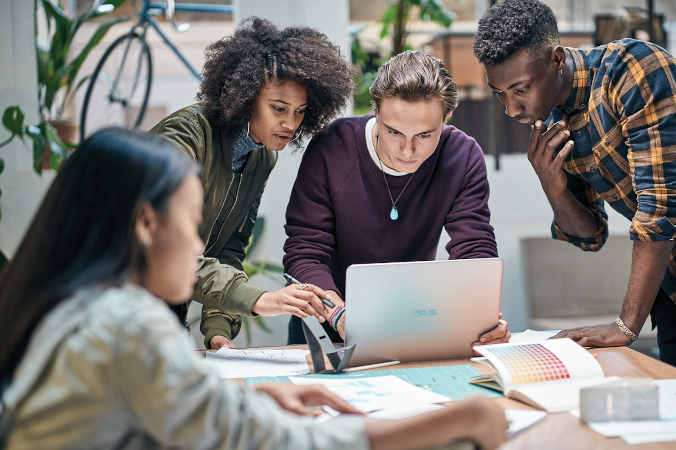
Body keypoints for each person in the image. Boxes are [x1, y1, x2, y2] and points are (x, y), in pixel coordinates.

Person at [0, 128, 508, 449]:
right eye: (194, 222)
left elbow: (161, 409)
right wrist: (456, 421)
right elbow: (264, 443)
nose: (201, 242)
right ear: (146, 224)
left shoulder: (77, 306)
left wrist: (258, 397)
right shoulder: (127, 324)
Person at [473, 0, 676, 411]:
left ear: (556, 59)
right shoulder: (554, 121)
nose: (512, 109)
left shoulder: (635, 71)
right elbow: (590, 235)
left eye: (520, 89)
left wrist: (626, 325)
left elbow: (661, 209)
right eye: (500, 93)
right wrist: (553, 188)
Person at [282, 50, 511, 348]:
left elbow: (474, 248)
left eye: (425, 135)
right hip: (326, 325)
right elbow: (304, 250)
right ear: (376, 109)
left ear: (446, 119)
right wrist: (339, 315)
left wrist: (480, 315)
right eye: (393, 132)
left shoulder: (462, 156)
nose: (407, 151)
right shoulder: (332, 148)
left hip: (414, 324)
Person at [152, 17, 353, 349]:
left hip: (171, 298)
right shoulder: (187, 136)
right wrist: (260, 299)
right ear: (245, 95)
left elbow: (228, 249)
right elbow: (162, 245)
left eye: (301, 112)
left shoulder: (262, 157)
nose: (290, 123)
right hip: (118, 297)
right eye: (278, 108)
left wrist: (218, 332)